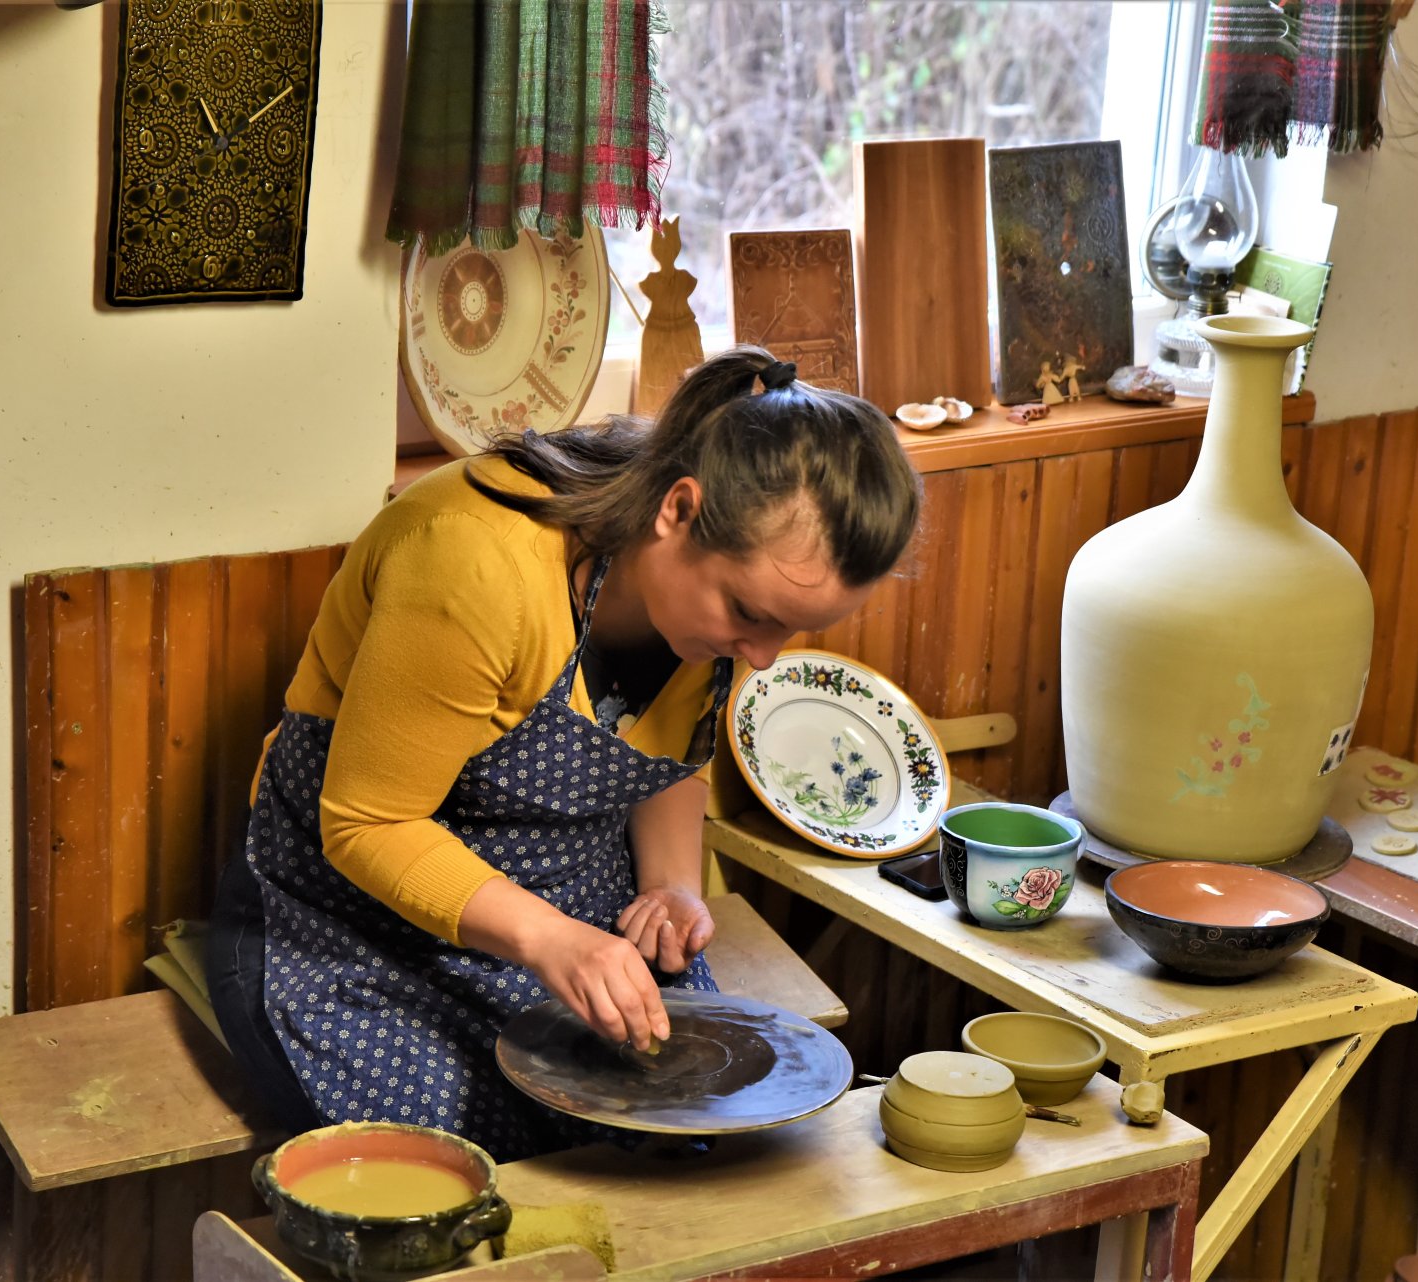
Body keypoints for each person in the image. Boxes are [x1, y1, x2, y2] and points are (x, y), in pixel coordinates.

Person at [206, 345, 923, 1159]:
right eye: (749, 614)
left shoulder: (707, 596)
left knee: (694, 1132)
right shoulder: (474, 561)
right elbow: (368, 823)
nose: (761, 656)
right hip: (349, 916)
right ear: (677, 511)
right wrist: (549, 940)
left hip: (572, 903)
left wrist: (672, 887)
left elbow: (669, 759)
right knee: (469, 1167)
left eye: (790, 631)